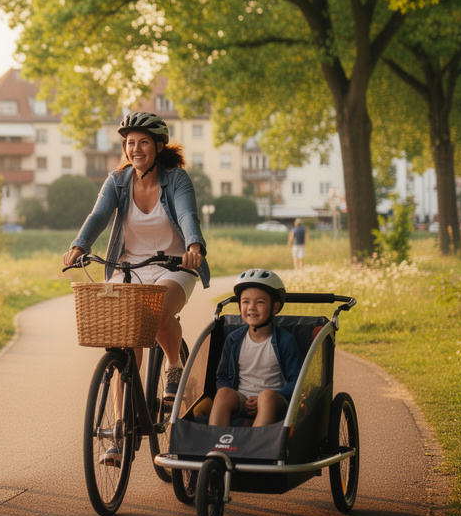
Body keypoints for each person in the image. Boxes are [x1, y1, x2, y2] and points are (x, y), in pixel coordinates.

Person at [63, 111, 208, 465]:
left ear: (159, 146)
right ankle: (119, 429)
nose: (136, 149)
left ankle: (174, 365)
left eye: (143, 142)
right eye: (130, 143)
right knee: (124, 343)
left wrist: (193, 247)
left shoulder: (176, 179)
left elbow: (187, 215)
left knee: (156, 313)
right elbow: (98, 216)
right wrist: (79, 246)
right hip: (128, 267)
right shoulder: (118, 181)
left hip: (175, 265)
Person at [208, 269, 303, 428]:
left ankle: (256, 441)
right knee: (223, 393)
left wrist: (274, 396)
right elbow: (223, 376)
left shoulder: (285, 341)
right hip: (242, 399)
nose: (251, 307)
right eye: (245, 302)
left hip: (274, 400)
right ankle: (215, 439)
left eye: (260, 302)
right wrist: (235, 395)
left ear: (274, 308)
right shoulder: (234, 339)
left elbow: (297, 380)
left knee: (266, 396)